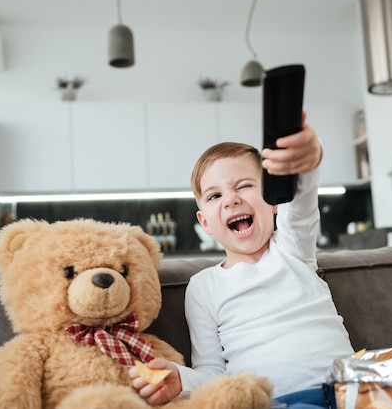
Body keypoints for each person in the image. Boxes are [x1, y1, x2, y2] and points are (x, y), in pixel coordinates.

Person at [130, 112, 354, 408]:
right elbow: (213, 374)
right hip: (278, 404)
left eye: (244, 185)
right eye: (214, 196)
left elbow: (302, 203)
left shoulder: (291, 248)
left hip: (352, 392)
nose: (231, 199)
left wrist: (308, 160)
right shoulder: (203, 287)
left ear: (274, 201)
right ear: (205, 223)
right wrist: (181, 380)